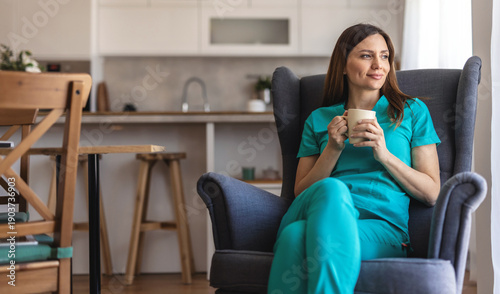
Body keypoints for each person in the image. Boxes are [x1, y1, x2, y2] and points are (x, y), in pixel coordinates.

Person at [267, 23, 441, 294]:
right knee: (331, 188)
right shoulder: (319, 119)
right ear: (343, 65)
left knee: (293, 236)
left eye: (384, 56)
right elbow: (300, 191)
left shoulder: (412, 111)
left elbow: (431, 193)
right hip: (319, 210)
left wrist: (384, 155)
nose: (379, 65)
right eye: (366, 55)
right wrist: (332, 149)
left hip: (382, 227)